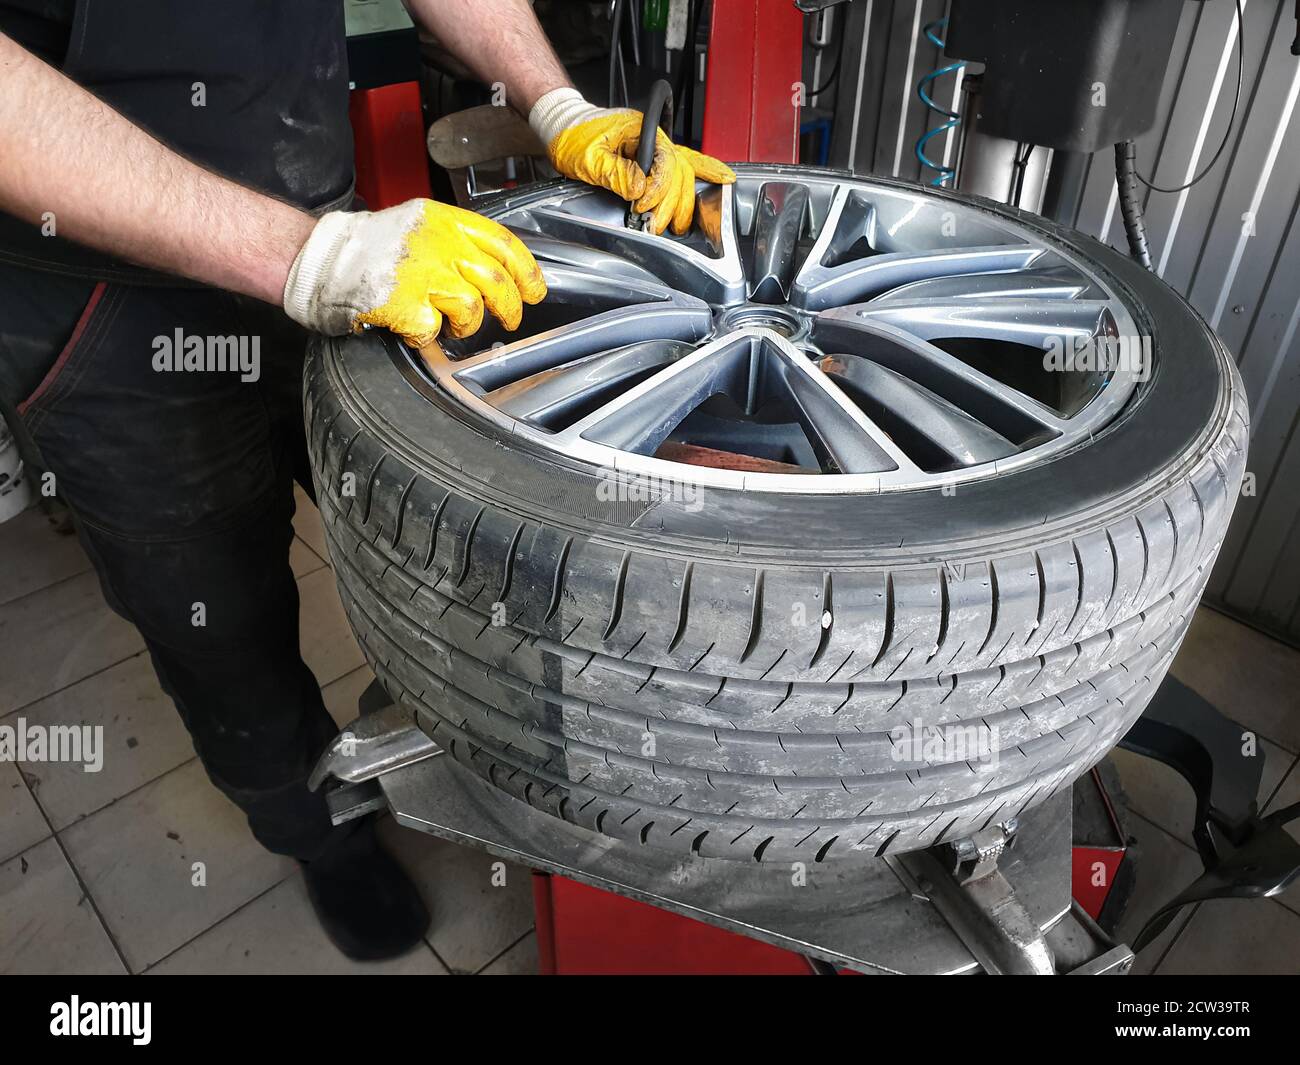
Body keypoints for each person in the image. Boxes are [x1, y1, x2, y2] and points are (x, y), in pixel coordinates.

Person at [0, 0, 734, 961]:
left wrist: (555, 104)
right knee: (217, 617)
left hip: (327, 224)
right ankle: (316, 831)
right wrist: (297, 257)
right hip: (103, 304)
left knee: (432, 536)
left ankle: (442, 730)